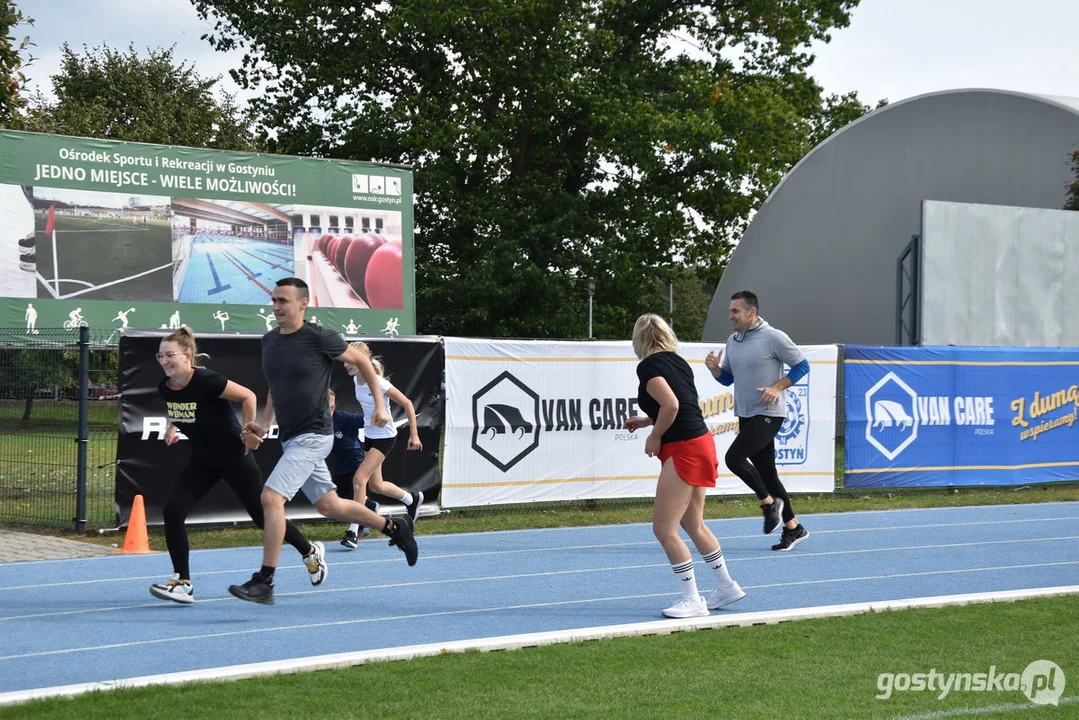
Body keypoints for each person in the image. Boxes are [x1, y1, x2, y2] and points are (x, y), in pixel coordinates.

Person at [227, 277, 418, 606]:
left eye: (283, 301)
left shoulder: (318, 336)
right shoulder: (270, 341)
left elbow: (361, 362)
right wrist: (262, 425)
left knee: (271, 499)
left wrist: (380, 405)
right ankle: (394, 527)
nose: (276, 307)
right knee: (329, 506)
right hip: (291, 438)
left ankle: (265, 580)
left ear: (303, 304)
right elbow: (275, 389)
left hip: (314, 434)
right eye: (273, 300)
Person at [149, 326, 326, 604]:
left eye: (170, 355)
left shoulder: (207, 380)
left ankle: (309, 552)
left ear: (187, 355)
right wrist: (172, 426)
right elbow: (177, 406)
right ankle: (183, 583)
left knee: (261, 517)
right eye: (160, 356)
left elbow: (248, 397)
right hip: (202, 460)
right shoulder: (165, 387)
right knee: (173, 512)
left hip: (233, 456)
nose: (164, 361)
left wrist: (248, 431)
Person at [624, 314, 744, 619]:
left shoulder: (648, 366)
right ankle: (725, 585)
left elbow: (673, 406)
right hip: (700, 440)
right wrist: (649, 420)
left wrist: (655, 434)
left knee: (664, 529)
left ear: (639, 339)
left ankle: (692, 599)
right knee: (694, 524)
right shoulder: (678, 362)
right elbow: (682, 405)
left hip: (684, 447)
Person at [705, 290, 811, 552]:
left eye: (735, 311)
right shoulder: (733, 340)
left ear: (752, 312)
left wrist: (777, 387)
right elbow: (728, 378)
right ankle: (794, 528)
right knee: (767, 473)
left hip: (769, 413)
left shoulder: (774, 337)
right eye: (730, 311)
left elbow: (802, 366)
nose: (730, 315)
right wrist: (715, 370)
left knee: (734, 458)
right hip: (746, 413)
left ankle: (769, 504)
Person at [340, 341, 424, 548]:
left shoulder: (378, 382)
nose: (346, 365)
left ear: (362, 361)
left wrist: (414, 435)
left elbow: (407, 403)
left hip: (385, 437)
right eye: (345, 361)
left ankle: (353, 531)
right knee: (376, 485)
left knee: (359, 479)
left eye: (350, 361)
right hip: (370, 436)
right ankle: (411, 499)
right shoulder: (356, 381)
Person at [327, 389, 380, 547]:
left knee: (355, 494)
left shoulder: (342, 418)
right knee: (341, 500)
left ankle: (354, 530)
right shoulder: (317, 424)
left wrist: (377, 414)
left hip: (355, 460)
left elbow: (366, 420)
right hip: (339, 466)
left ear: (332, 408)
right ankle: (369, 505)